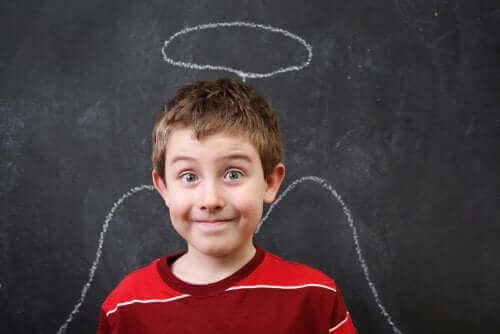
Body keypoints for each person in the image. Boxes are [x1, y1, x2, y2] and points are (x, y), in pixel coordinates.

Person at [97, 78, 357, 333]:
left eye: (233, 174)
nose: (210, 200)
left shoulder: (314, 298)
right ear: (164, 187)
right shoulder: (126, 307)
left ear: (269, 182)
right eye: (189, 177)